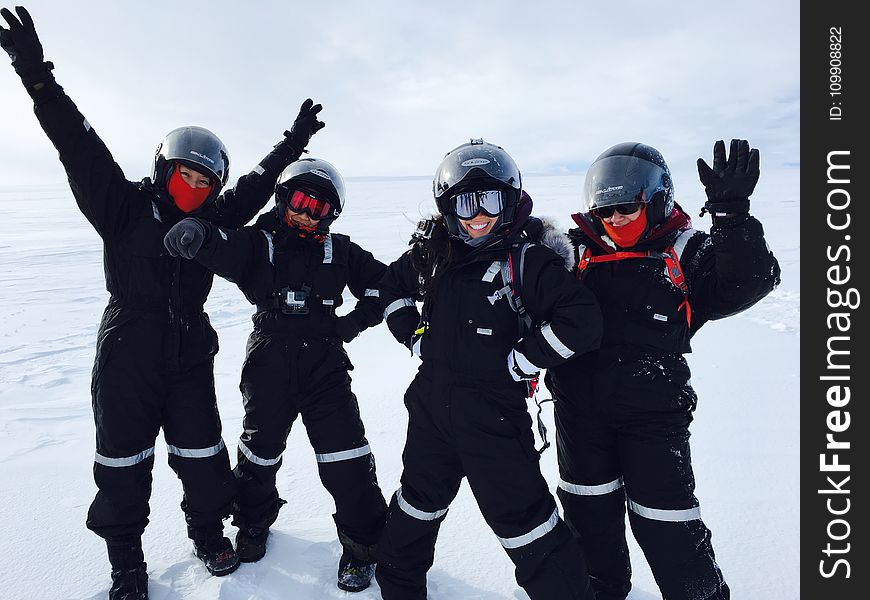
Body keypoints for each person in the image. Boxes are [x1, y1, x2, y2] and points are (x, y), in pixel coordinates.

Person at [1, 6, 325, 599]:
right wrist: (36, 75)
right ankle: (126, 562)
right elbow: (78, 144)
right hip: (127, 348)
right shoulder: (122, 207)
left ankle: (206, 532)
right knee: (123, 464)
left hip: (189, 350)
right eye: (186, 176)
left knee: (203, 456)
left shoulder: (215, 219)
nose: (196, 189)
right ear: (163, 168)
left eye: (206, 182)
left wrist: (292, 144)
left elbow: (255, 186)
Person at [546, 140, 781, 600]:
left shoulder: (685, 249)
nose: (614, 220)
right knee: (588, 516)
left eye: (627, 208)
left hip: (653, 416)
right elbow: (520, 274)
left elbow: (747, 282)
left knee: (666, 523)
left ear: (655, 201)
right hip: (579, 414)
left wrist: (731, 218)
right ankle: (602, 591)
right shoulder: (574, 250)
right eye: (606, 210)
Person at [374, 138, 604, 600]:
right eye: (465, 202)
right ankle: (398, 586)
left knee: (525, 521)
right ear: (447, 207)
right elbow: (390, 286)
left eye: (491, 201)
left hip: (494, 416)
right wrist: (414, 336)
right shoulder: (434, 253)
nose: (478, 215)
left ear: (511, 201)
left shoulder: (528, 261)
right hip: (431, 409)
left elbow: (583, 322)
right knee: (416, 503)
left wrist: (524, 359)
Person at [163, 157, 389, 592]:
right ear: (284, 198)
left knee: (346, 456)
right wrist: (200, 234)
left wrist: (352, 323)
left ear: (332, 214)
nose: (307, 212)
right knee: (260, 452)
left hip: (325, 362)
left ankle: (362, 546)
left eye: (319, 207)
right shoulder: (258, 242)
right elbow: (224, 244)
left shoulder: (341, 250)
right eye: (301, 201)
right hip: (269, 358)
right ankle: (252, 524)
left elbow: (384, 284)